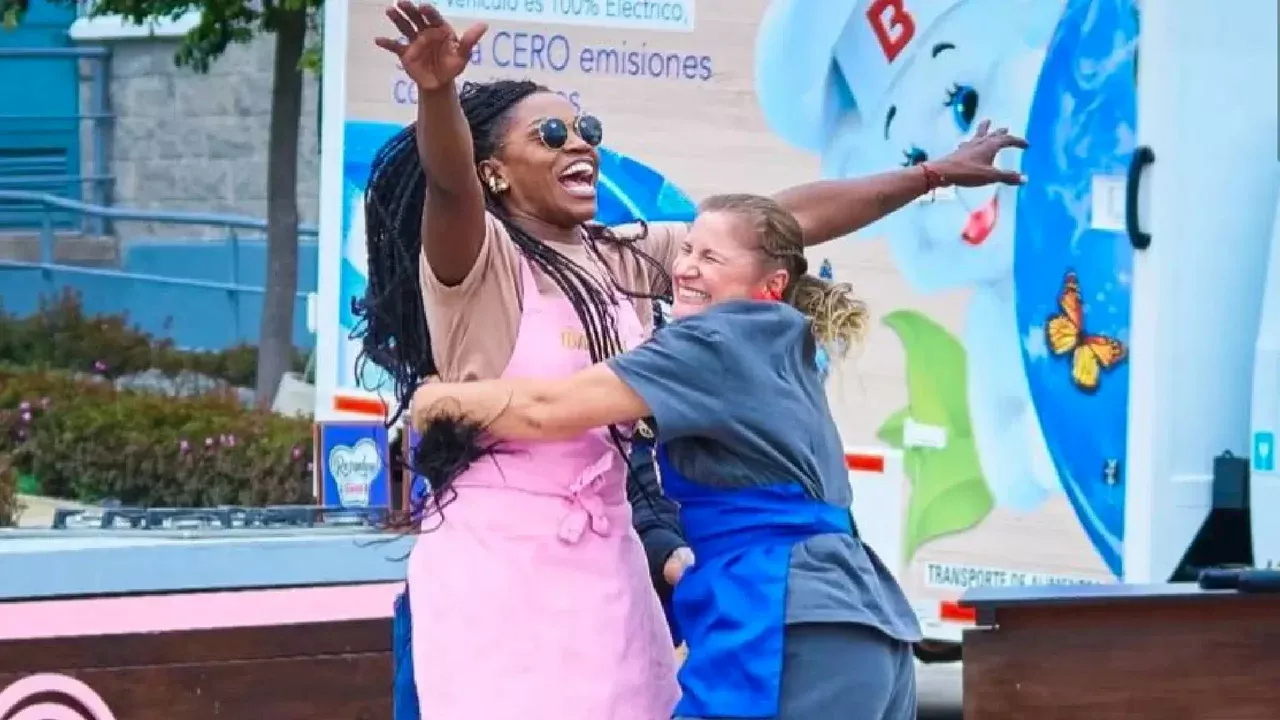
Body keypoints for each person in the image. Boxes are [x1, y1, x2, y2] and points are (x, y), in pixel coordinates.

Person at [359, 4, 1027, 718]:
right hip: (504, 565)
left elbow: (771, 225)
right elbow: (451, 186)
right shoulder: (477, 263)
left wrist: (928, 177)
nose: (578, 145)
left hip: (605, 562)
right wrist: (437, 96)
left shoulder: (618, 255)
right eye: (550, 135)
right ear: (495, 171)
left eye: (588, 131)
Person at [410, 193, 929, 719]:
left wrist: (437, 400)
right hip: (868, 629)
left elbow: (549, 407)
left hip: (788, 625)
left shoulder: (714, 340)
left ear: (771, 285)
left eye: (711, 258)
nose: (684, 268)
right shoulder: (782, 341)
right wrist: (928, 176)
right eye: (685, 250)